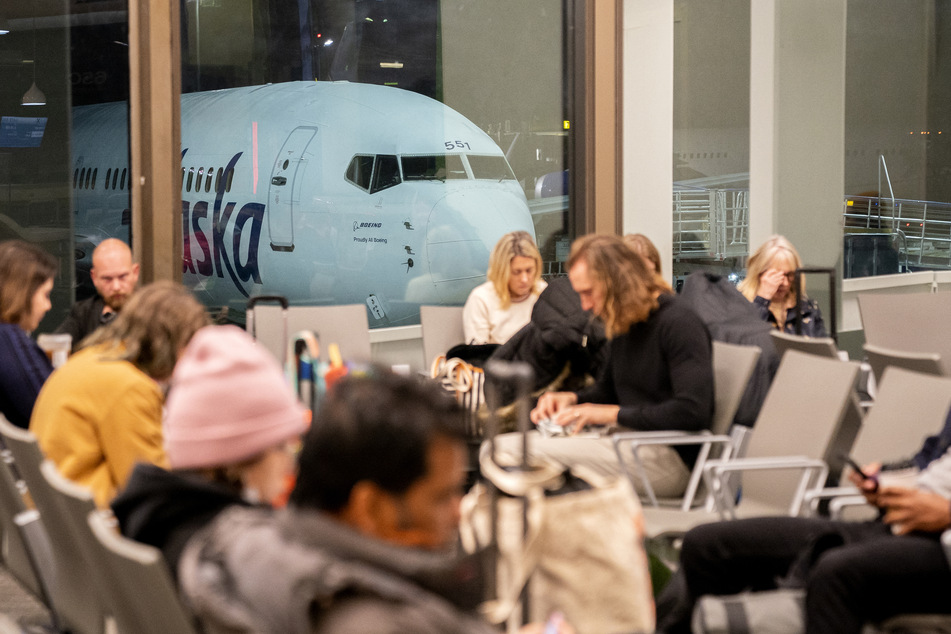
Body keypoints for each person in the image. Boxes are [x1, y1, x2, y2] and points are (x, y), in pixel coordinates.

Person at [176, 370, 573, 634]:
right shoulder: (373, 621)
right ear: (368, 506)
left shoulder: (245, 544)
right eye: (441, 496)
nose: (459, 510)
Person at [656, 413, 951, 634]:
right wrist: (886, 480)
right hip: (897, 525)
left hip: (941, 546)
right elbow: (931, 459)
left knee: (836, 572)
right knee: (707, 545)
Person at [523, 234, 714, 498]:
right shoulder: (627, 322)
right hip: (628, 441)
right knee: (513, 448)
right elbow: (608, 391)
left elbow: (692, 411)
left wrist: (607, 414)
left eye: (589, 293)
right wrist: (572, 399)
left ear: (617, 283)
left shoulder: (679, 323)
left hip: (668, 459)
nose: (585, 305)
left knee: (510, 453)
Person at [111, 325, 308, 577]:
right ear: (239, 460)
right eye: (281, 446)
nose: (291, 463)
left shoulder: (157, 519)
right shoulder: (236, 563)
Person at [30, 281, 209, 508]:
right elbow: (154, 488)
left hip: (59, 513)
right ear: (170, 342)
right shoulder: (129, 386)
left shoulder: (89, 358)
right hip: (96, 522)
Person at [0, 240, 58, 428]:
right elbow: (54, 414)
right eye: (45, 295)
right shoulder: (10, 342)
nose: (48, 306)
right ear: (23, 293)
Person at [463, 230, 547, 345]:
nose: (524, 279)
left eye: (529, 270)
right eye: (516, 272)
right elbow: (478, 354)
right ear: (502, 271)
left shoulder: (543, 292)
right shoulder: (481, 299)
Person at [55, 238, 140, 349]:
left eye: (122, 277)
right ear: (94, 278)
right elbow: (56, 347)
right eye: (107, 279)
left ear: (135, 272)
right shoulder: (83, 313)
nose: (116, 287)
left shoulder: (153, 312)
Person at [737, 235, 827, 337]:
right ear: (759, 273)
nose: (784, 283)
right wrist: (762, 299)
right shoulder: (740, 304)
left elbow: (824, 347)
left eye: (789, 275)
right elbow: (743, 341)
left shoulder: (807, 308)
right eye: (776, 276)